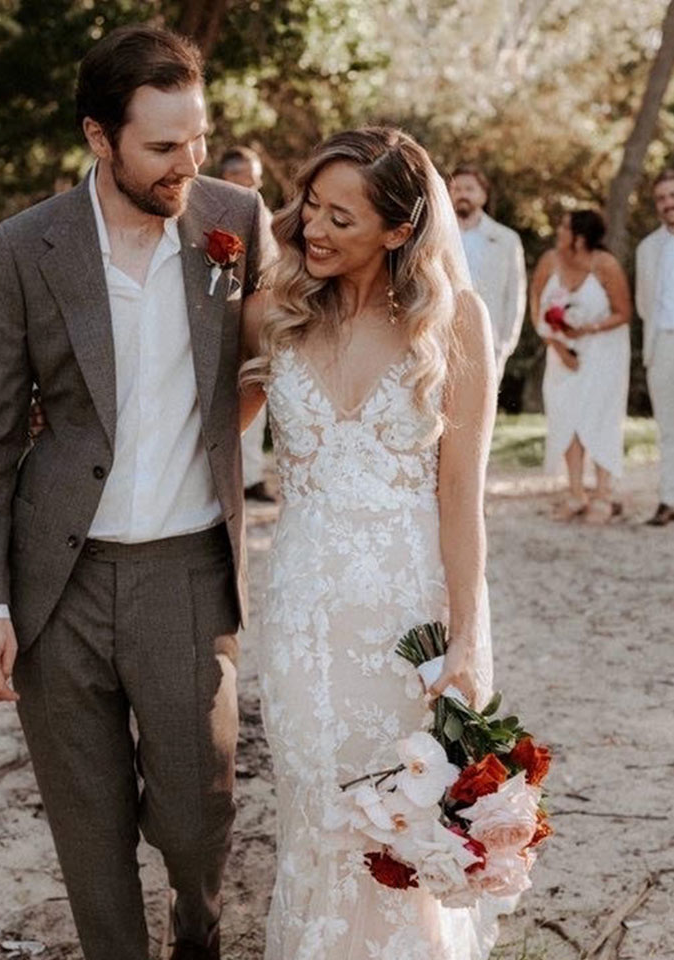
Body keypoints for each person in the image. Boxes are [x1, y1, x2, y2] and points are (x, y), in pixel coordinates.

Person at [0, 26, 273, 960]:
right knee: (88, 832)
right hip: (59, 583)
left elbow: (274, 353)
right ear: (99, 137)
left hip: (187, 570)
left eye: (198, 138)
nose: (190, 163)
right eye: (163, 146)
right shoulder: (26, 245)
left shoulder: (237, 221)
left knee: (196, 816)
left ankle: (197, 930)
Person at [239, 127, 500, 959]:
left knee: (407, 820)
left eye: (340, 218)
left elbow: (460, 499)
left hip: (407, 619)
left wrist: (465, 639)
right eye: (311, 206)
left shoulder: (454, 323)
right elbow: (189, 425)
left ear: (397, 230)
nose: (313, 228)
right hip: (303, 619)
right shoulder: (272, 315)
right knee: (316, 812)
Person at [530, 210, 631, 522]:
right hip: (561, 351)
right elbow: (536, 304)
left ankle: (603, 493)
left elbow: (623, 312)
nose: (558, 230)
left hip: (604, 351)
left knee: (601, 416)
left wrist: (589, 328)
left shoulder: (605, 264)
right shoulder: (550, 261)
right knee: (565, 415)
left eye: (564, 226)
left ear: (580, 237)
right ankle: (575, 493)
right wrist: (557, 346)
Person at [219, 145, 276, 502]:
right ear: (228, 177)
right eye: (247, 179)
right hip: (225, 321)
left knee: (258, 397)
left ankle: (252, 477)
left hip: (261, 320)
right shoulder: (214, 213)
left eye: (256, 180)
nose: (254, 186)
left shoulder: (263, 213)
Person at [449, 164, 527, 381]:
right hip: (441, 335)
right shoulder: (436, 235)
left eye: (469, 189)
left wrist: (506, 342)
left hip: (487, 339)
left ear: (483, 195)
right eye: (456, 189)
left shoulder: (506, 239)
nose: (462, 194)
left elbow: (515, 293)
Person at [636, 169, 674, 526]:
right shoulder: (647, 248)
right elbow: (644, 303)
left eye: (672, 195)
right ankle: (668, 498)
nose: (668, 203)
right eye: (661, 198)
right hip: (661, 341)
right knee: (667, 425)